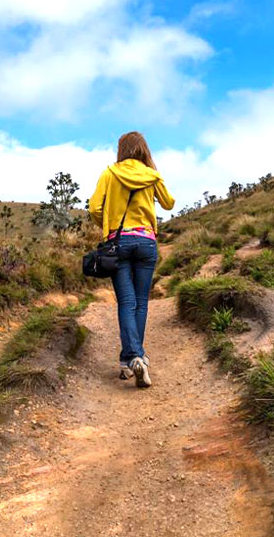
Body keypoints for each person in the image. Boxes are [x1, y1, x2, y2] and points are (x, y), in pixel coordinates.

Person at [88, 131, 175, 388]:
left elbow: (94, 208)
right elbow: (169, 203)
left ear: (122, 149)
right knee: (141, 302)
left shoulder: (109, 173)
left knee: (126, 302)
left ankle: (133, 357)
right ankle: (133, 358)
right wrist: (154, 176)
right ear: (143, 149)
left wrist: (108, 227)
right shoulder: (152, 175)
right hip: (146, 243)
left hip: (119, 243)